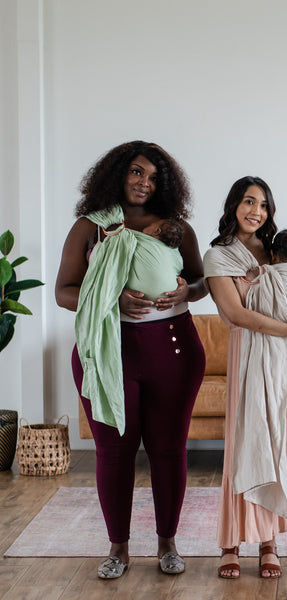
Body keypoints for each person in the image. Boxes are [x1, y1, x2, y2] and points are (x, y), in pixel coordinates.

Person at [55, 141, 207, 579]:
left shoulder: (177, 228)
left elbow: (200, 281)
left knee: (168, 449)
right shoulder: (91, 227)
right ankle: (118, 548)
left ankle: (167, 544)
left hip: (174, 350)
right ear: (118, 174)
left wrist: (186, 292)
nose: (145, 183)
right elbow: (64, 290)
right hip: (108, 350)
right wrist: (110, 298)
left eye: (155, 178)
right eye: (137, 173)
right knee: (114, 451)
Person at [202, 176, 287, 580]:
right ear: (233, 206)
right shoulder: (219, 256)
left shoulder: (279, 252)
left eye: (263, 205)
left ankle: (269, 542)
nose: (256, 212)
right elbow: (237, 315)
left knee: (280, 443)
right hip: (252, 355)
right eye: (248, 202)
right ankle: (230, 543)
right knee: (249, 444)